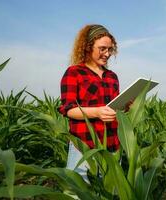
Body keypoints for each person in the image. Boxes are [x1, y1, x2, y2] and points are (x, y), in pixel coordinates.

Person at [58, 24, 120, 181]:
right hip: (84, 148)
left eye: (110, 49)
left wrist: (127, 106)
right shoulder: (74, 72)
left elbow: (114, 108)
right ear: (87, 46)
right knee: (78, 193)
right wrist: (98, 112)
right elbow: (69, 109)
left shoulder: (112, 76)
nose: (107, 54)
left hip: (112, 146)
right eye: (102, 48)